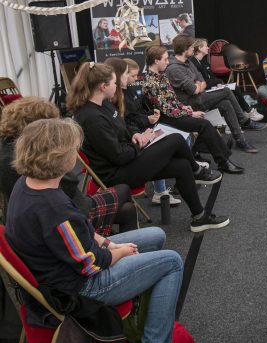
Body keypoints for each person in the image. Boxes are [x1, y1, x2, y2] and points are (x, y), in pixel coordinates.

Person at [5, 118, 183, 343]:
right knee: (172, 262)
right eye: (73, 151)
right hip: (82, 288)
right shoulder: (52, 209)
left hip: (66, 267)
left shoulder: (28, 184)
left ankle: (144, 323)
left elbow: (80, 230)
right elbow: (91, 265)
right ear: (61, 158)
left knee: (156, 236)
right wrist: (119, 251)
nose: (76, 157)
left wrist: (105, 242)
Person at [68, 62, 229, 233]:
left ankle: (199, 217)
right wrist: (141, 142)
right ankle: (197, 171)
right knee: (174, 140)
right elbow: (118, 156)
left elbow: (121, 129)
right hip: (116, 174)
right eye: (114, 83)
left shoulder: (103, 104)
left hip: (127, 158)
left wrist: (134, 136)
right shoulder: (92, 118)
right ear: (103, 86)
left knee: (182, 166)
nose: (116, 86)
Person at [0, 97, 137, 234]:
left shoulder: (12, 149)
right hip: (65, 216)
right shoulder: (28, 157)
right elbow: (69, 185)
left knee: (127, 208)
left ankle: (111, 240)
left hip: (54, 213)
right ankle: (109, 241)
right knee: (125, 194)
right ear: (40, 126)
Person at [143, 45, 244, 175]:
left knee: (203, 122)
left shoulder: (160, 76)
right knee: (204, 124)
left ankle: (213, 156)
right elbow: (166, 109)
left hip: (173, 113)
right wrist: (190, 112)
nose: (168, 62)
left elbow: (171, 100)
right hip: (166, 118)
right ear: (156, 61)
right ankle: (223, 161)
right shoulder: (151, 83)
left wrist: (183, 107)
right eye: (165, 59)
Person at [165, 35, 264, 154]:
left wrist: (198, 84)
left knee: (225, 103)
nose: (193, 49)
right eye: (191, 47)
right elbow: (194, 90)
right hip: (190, 103)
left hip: (198, 97)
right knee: (226, 91)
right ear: (185, 48)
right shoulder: (174, 68)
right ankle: (244, 121)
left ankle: (240, 140)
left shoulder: (188, 62)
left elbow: (201, 80)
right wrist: (198, 85)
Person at [120, 58, 181, 207]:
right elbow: (128, 121)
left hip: (142, 128)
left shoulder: (131, 89)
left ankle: (177, 180)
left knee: (180, 139)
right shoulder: (120, 97)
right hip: (135, 134)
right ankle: (160, 192)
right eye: (133, 76)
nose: (136, 79)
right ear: (123, 74)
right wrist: (147, 121)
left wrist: (150, 117)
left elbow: (138, 111)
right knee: (159, 147)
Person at [190, 38, 263, 122]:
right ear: (199, 48)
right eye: (206, 46)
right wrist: (217, 82)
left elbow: (212, 77)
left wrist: (218, 83)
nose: (208, 48)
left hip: (212, 86)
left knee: (234, 87)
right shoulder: (193, 63)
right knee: (230, 91)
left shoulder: (204, 61)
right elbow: (202, 82)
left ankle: (245, 112)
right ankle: (246, 113)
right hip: (205, 91)